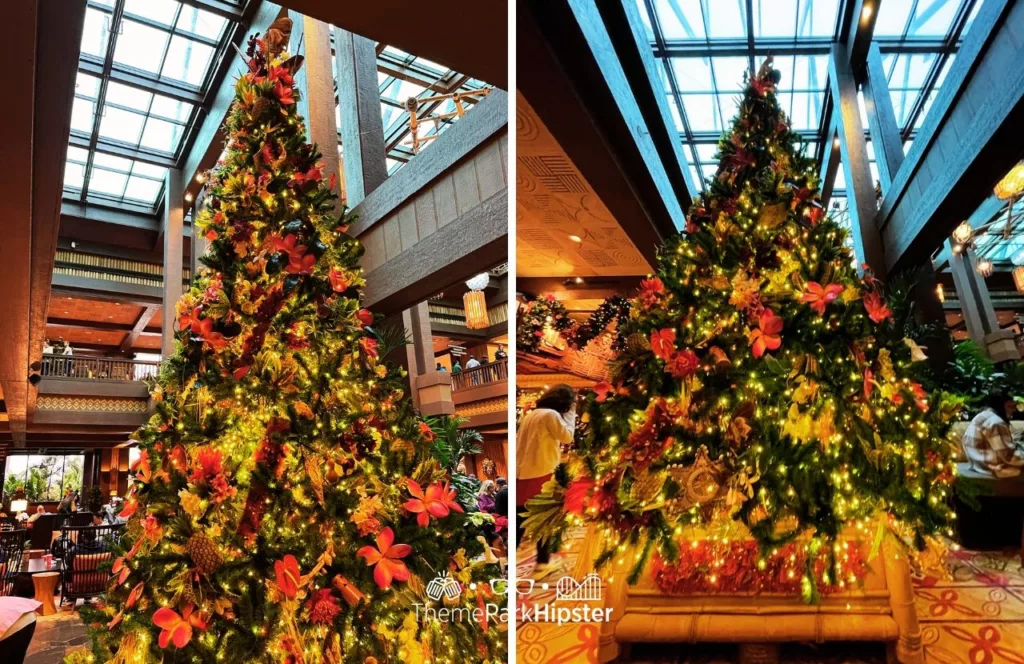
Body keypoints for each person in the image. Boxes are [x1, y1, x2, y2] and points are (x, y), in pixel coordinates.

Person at [516, 384, 576, 576]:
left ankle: (510, 560)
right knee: (545, 516)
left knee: (520, 517)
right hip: (541, 471)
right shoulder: (551, 415)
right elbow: (567, 437)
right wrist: (572, 414)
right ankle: (542, 561)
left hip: (523, 471)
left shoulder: (531, 414)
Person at [963, 392, 1024, 478]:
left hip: (977, 463)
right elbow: (1008, 456)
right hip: (990, 466)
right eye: (1010, 407)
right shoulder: (996, 422)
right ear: (1000, 407)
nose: (1014, 410)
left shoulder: (983, 414)